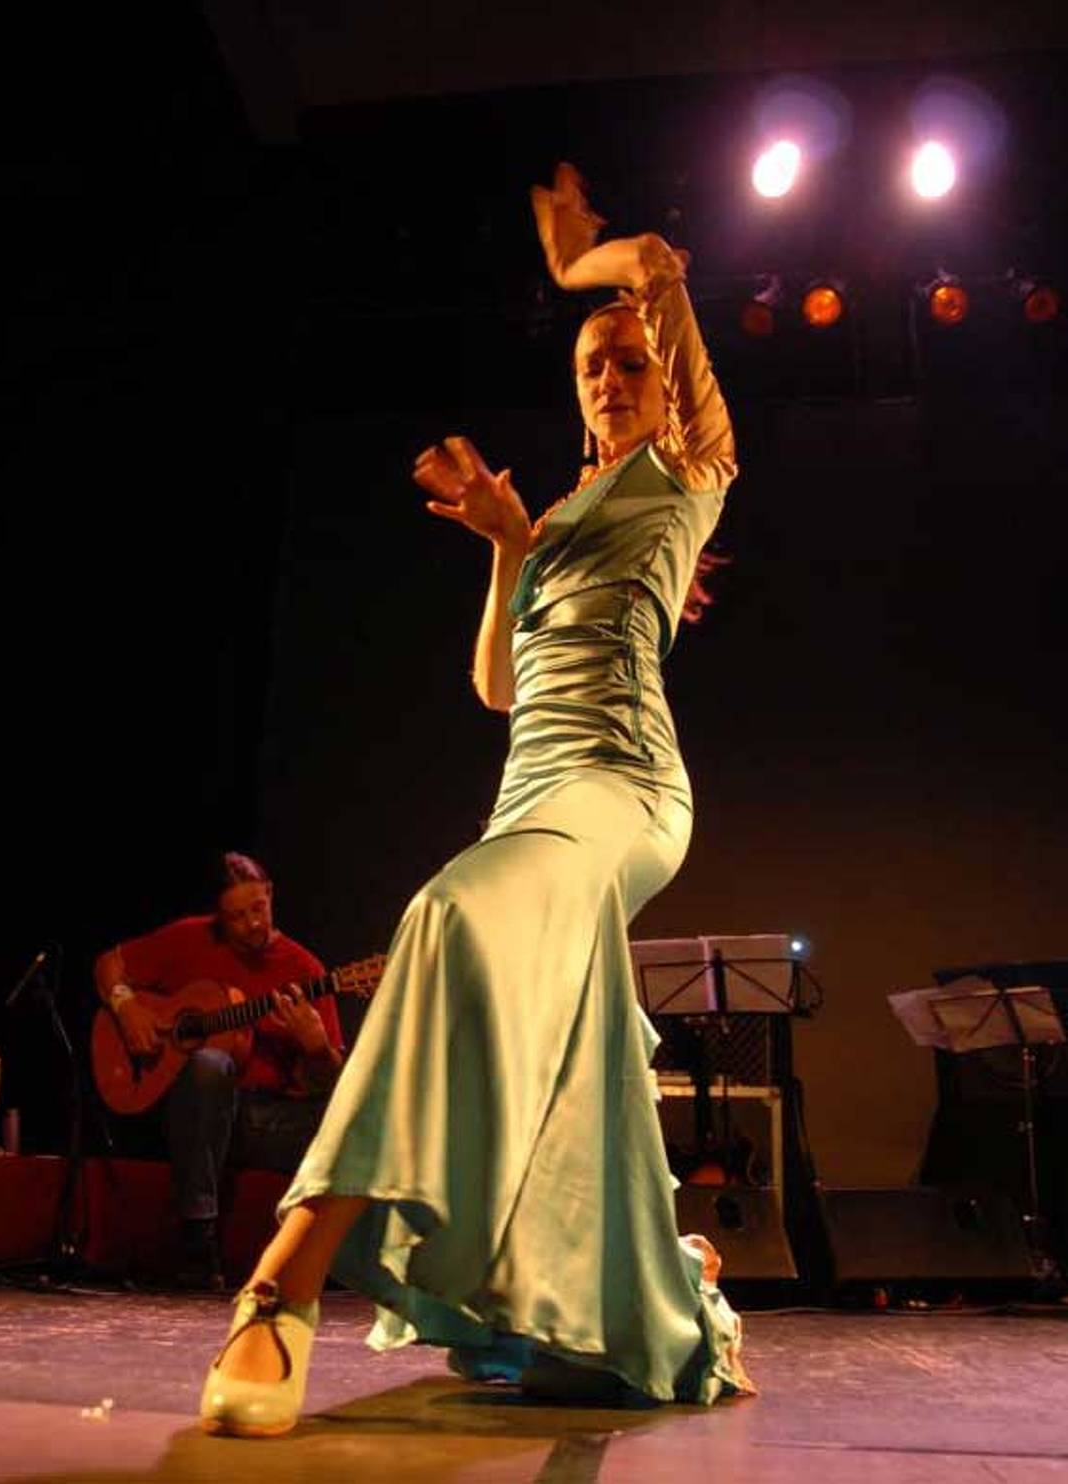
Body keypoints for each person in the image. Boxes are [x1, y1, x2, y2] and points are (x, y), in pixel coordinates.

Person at [198, 164, 754, 1435]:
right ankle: (660, 1284)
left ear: (666, 381)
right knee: (548, 1034)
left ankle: (280, 1286)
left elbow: (656, 266)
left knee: (444, 915)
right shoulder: (554, 514)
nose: (610, 378)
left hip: (621, 785)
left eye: (630, 362)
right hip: (531, 790)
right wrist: (510, 544)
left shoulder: (687, 473)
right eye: (591, 367)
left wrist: (579, 267)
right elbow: (498, 685)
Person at [94, 851, 344, 1288]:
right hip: (187, 1109)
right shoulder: (189, 938)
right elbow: (108, 964)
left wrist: (318, 1048)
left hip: (262, 1120)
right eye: (237, 917)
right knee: (209, 1065)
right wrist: (125, 1005)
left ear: (270, 894)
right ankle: (198, 1245)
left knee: (352, 1117)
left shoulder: (304, 970)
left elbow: (329, 1083)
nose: (252, 924)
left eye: (258, 908)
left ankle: (341, 1261)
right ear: (217, 917)